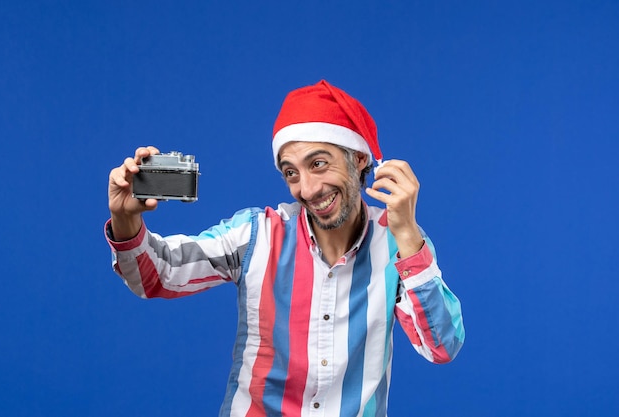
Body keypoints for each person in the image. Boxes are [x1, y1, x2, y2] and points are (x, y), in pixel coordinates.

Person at [105, 80, 465, 416]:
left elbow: (442, 347)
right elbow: (155, 276)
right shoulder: (254, 235)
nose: (306, 189)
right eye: (291, 173)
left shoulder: (400, 247)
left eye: (319, 164)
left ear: (359, 159)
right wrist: (124, 219)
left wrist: (407, 234)